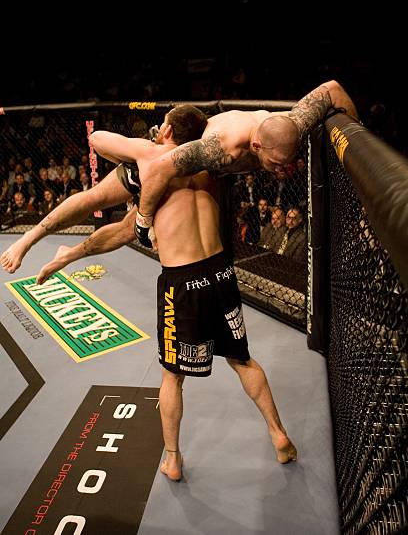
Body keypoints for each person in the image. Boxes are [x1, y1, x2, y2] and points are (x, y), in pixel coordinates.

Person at [35, 113, 297, 482]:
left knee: (172, 376)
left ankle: (172, 459)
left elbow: (102, 150)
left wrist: (69, 256)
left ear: (168, 130)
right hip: (221, 273)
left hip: (183, 282)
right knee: (242, 360)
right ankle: (278, 434)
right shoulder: (212, 164)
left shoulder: (154, 168)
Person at [134, 80, 358, 245]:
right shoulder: (220, 148)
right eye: (275, 163)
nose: (281, 169)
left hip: (214, 165)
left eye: (285, 163)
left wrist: (355, 144)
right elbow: (159, 167)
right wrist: (143, 221)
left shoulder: (294, 123)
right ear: (257, 146)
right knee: (139, 220)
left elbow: (333, 89)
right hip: (181, 154)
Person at [0, 106, 205, 273]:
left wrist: (138, 150)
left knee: (123, 226)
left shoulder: (150, 151)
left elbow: (96, 138)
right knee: (108, 210)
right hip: (193, 259)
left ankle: (63, 253)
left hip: (153, 171)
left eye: (163, 124)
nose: (158, 128)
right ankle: (30, 240)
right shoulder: (199, 164)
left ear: (168, 131)